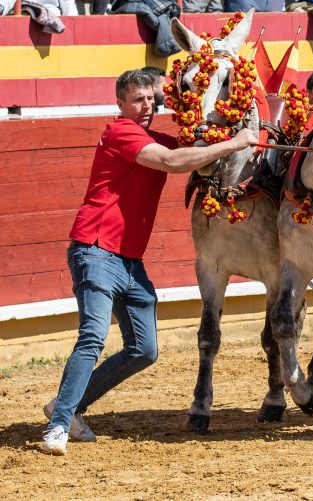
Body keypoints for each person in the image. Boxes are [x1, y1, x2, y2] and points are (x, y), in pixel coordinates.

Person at [40, 69, 257, 455]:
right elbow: (175, 161)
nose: (147, 105)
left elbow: (191, 155)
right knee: (92, 336)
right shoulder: (120, 132)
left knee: (144, 349)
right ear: (120, 104)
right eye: (137, 99)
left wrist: (233, 134)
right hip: (96, 249)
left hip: (129, 261)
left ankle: (65, 407)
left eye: (150, 98)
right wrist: (233, 143)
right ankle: (58, 426)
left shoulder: (149, 135)